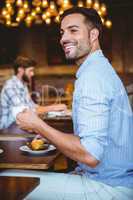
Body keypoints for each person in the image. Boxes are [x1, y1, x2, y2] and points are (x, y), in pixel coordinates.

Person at [1, 7, 133, 200]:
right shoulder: (100, 69)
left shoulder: (93, 77)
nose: (63, 38)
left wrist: (39, 125)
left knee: (7, 179)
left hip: (108, 187)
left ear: (93, 34)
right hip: (113, 179)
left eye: (73, 30)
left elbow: (89, 155)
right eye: (62, 32)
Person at [0, 56, 67, 129]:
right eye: (30, 71)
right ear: (20, 70)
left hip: (19, 124)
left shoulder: (23, 85)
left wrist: (54, 108)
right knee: (47, 132)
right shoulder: (10, 86)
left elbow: (32, 106)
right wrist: (53, 108)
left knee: (50, 129)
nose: (32, 74)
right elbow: (25, 112)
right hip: (9, 128)